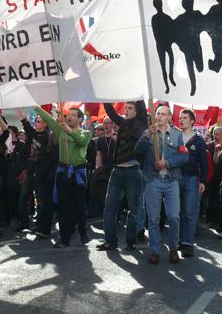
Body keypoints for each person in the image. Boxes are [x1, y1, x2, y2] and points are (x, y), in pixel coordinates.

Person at [135, 106, 188, 264]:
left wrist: (167, 163)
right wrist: (145, 135)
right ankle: (155, 250)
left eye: (163, 114)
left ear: (169, 117)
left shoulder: (177, 135)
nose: (159, 116)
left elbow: (184, 156)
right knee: (153, 219)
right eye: (157, 113)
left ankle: (173, 248)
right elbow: (137, 150)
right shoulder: (149, 133)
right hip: (153, 180)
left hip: (171, 180)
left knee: (173, 216)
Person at [34, 106, 91, 248]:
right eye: (68, 115)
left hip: (78, 173)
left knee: (79, 206)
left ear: (80, 119)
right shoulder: (60, 130)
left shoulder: (86, 133)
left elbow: (81, 142)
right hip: (62, 172)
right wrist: (36, 107)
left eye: (73, 115)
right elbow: (48, 119)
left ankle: (83, 231)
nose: (69, 117)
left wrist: (70, 131)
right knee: (63, 207)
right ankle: (64, 238)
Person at [97, 102, 147, 252]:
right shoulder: (122, 123)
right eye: (125, 108)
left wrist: (137, 90)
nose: (126, 110)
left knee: (134, 208)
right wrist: (105, 96)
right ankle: (110, 241)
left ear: (137, 111)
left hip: (133, 172)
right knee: (109, 207)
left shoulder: (141, 124)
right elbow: (110, 111)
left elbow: (142, 104)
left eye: (130, 108)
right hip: (117, 171)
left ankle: (131, 241)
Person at [17, 108, 58, 238]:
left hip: (41, 174)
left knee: (41, 202)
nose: (37, 123)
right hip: (29, 172)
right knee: (23, 198)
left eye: (40, 121)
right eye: (36, 121)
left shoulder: (49, 138)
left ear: (46, 124)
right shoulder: (32, 133)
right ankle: (23, 223)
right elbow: (24, 120)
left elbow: (49, 158)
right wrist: (17, 106)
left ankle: (40, 227)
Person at [178, 109, 208, 257]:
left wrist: (202, 181)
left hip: (191, 180)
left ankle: (187, 244)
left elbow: (204, 163)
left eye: (184, 117)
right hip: (175, 179)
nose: (181, 120)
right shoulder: (175, 136)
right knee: (176, 213)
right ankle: (178, 240)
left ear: (191, 121)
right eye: (180, 117)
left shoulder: (199, 141)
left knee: (189, 212)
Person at [206, 125, 222, 228]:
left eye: (217, 134)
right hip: (211, 177)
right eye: (214, 134)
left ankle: (219, 220)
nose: (215, 136)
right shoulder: (208, 146)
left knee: (220, 200)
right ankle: (211, 219)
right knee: (211, 199)